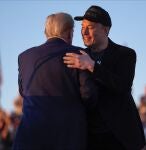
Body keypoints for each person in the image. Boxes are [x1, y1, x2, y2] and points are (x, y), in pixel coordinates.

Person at [63, 5, 146, 150]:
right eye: (82, 27)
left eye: (91, 27)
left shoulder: (126, 54)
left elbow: (122, 86)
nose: (84, 32)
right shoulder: (78, 55)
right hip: (90, 138)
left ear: (106, 30)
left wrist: (92, 66)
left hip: (121, 137)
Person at [12, 12, 96, 150]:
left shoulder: (24, 57)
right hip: (68, 137)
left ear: (46, 32)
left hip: (30, 137)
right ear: (69, 33)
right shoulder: (80, 55)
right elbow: (89, 94)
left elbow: (23, 91)